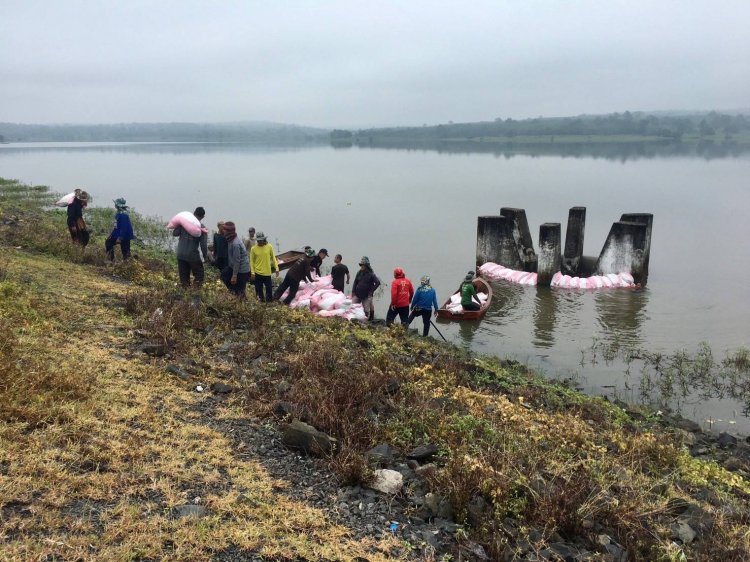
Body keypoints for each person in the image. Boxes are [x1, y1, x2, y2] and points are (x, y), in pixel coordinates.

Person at [172, 206, 208, 288]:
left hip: (180, 254)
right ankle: (195, 295)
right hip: (192, 255)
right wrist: (205, 257)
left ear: (194, 213)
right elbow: (203, 245)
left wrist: (180, 224)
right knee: (199, 275)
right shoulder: (202, 228)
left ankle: (185, 296)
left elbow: (175, 233)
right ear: (202, 217)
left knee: (184, 278)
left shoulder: (184, 224)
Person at [220, 221, 250, 298]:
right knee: (224, 276)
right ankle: (234, 293)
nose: (224, 231)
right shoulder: (230, 239)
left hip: (241, 269)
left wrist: (234, 275)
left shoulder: (235, 244)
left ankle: (241, 301)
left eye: (225, 230)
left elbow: (237, 261)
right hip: (232, 267)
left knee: (240, 290)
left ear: (229, 231)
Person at [249, 231, 280, 302]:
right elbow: (251, 261)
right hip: (258, 273)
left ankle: (269, 304)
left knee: (269, 290)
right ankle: (261, 303)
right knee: (259, 290)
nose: (259, 242)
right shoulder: (253, 249)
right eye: (258, 241)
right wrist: (252, 273)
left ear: (264, 239)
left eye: (261, 240)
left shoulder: (269, 246)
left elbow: (273, 258)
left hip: (267, 273)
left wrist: (277, 268)